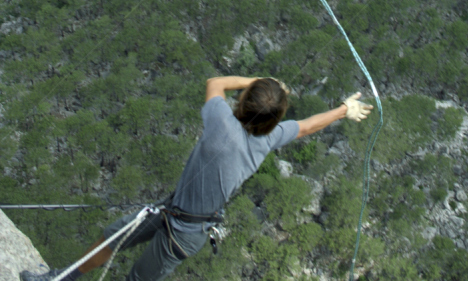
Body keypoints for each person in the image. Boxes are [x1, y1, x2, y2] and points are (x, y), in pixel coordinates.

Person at [21, 76, 373, 281]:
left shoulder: (220, 119)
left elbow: (215, 82)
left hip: (184, 228)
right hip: (175, 213)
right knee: (111, 238)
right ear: (275, 118)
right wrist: (344, 109)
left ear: (244, 100)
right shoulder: (268, 140)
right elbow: (308, 126)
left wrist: (257, 82)